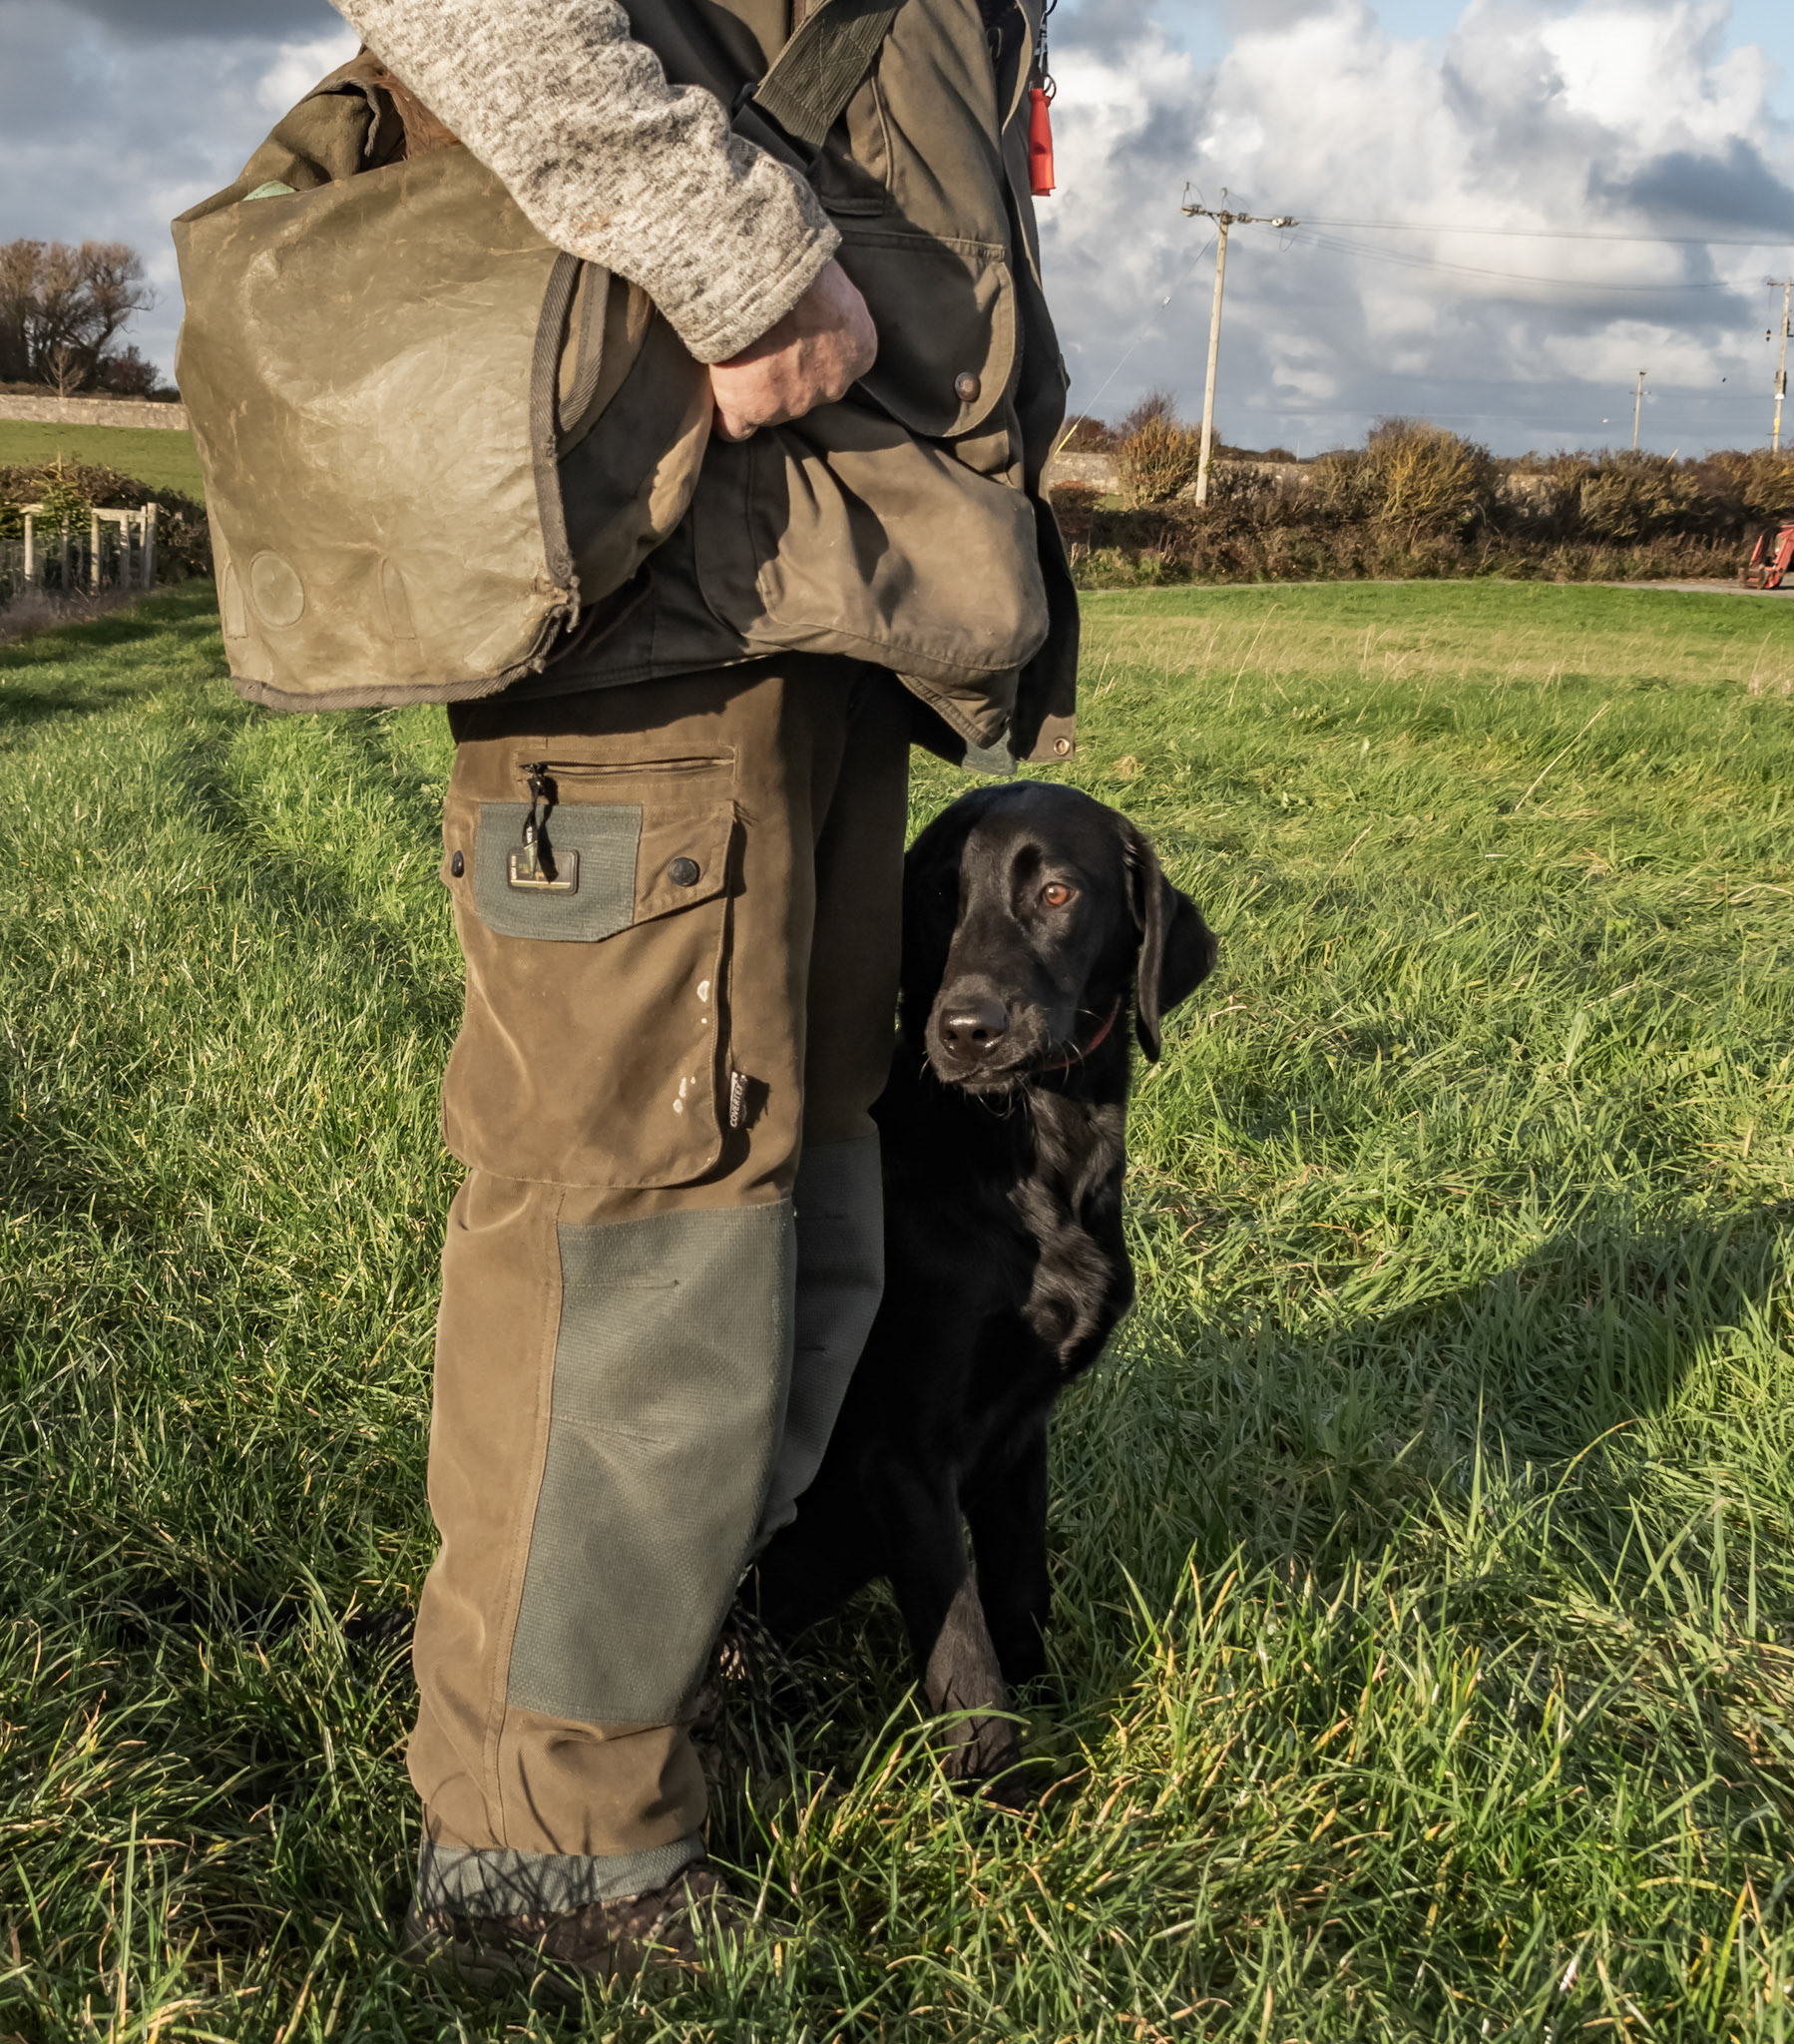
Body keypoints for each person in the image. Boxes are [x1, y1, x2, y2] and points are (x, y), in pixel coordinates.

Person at [321, 0, 1077, 1994]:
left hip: (826, 561)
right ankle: (538, 1857)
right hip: (679, 535)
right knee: (636, 1215)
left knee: (795, 1185)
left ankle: (663, 1680)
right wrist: (730, 251)